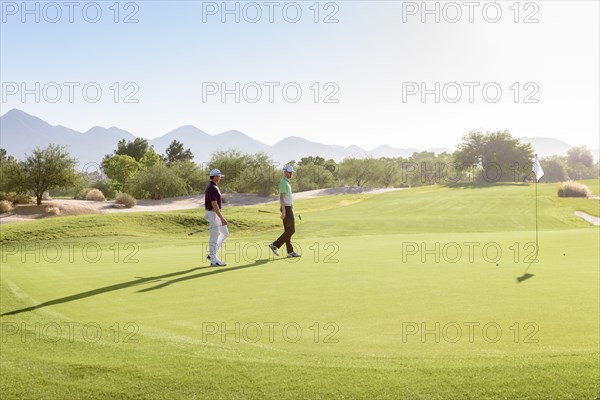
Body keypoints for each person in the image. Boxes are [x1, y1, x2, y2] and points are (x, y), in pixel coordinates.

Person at [269, 165, 301, 258]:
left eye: (292, 172)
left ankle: (290, 252)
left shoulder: (287, 182)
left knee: (287, 230)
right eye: (289, 172)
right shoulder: (283, 182)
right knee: (291, 230)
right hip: (286, 208)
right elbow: (281, 197)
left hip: (288, 207)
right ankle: (275, 245)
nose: (291, 174)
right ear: (285, 172)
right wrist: (284, 211)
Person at [204, 168, 228, 266]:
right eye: (219, 176)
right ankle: (214, 259)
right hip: (213, 213)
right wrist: (222, 218)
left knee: (224, 233)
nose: (220, 178)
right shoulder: (212, 187)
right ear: (215, 176)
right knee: (214, 235)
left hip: (214, 213)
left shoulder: (213, 186)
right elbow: (214, 204)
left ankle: (212, 255)